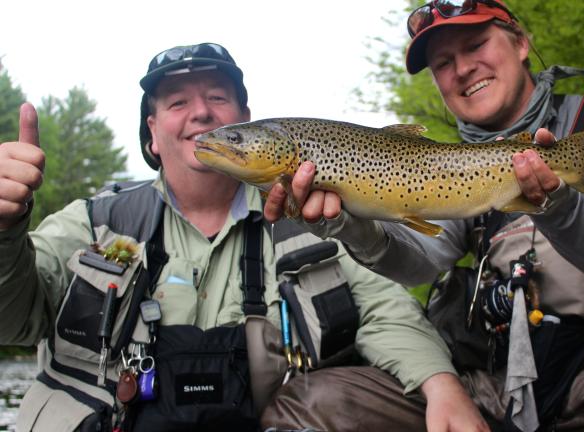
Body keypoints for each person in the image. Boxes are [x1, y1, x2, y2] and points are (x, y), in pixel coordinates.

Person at [264, 1, 584, 430]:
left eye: (476, 45)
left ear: (521, 43)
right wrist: (349, 224)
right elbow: (420, 264)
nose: (461, 69)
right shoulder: (449, 165)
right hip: (505, 376)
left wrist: (554, 200)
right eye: (443, 63)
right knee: (316, 402)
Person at [0, 42, 487, 432]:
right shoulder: (90, 224)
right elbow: (14, 322)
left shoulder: (317, 219)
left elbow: (386, 310)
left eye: (217, 98)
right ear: (151, 133)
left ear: (248, 117)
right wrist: (4, 229)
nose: (202, 113)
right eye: (177, 102)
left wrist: (441, 385)